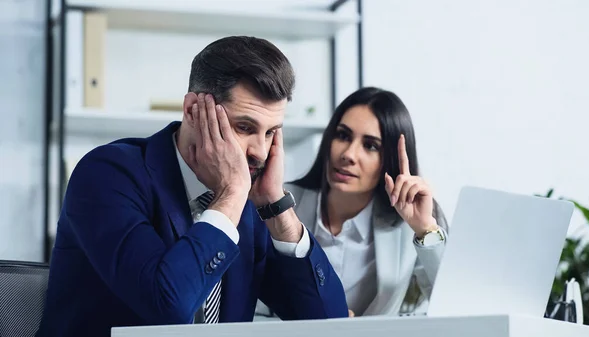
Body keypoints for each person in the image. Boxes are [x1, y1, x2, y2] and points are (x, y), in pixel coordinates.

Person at [36, 36, 348, 337]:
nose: (261, 152)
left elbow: (328, 322)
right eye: (244, 127)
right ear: (192, 111)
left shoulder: (252, 202)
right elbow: (167, 308)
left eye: (271, 133)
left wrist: (277, 208)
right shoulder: (108, 175)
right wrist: (230, 195)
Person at [286, 87, 449, 317]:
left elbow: (452, 306)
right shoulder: (282, 205)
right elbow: (249, 310)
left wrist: (425, 230)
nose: (349, 154)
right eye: (343, 135)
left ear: (390, 160)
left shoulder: (407, 223)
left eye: (370, 146)